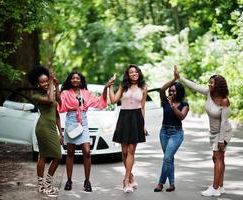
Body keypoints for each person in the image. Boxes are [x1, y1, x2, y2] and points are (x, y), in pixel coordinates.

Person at [175, 66, 233, 197]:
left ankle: (214, 188)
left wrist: (221, 140)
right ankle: (221, 187)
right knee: (218, 158)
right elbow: (194, 86)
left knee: (217, 157)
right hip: (213, 132)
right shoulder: (209, 93)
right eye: (209, 82)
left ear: (218, 85)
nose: (209, 84)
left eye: (211, 83)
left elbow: (224, 122)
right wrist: (180, 78)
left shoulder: (224, 101)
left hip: (223, 132)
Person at [58, 71, 110, 192]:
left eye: (77, 78)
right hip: (71, 121)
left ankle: (87, 181)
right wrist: (56, 87)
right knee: (70, 152)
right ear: (70, 81)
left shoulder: (86, 93)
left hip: (83, 122)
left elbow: (100, 101)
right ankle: (69, 180)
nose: (75, 80)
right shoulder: (65, 93)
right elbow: (59, 104)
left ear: (81, 81)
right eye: (73, 78)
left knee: (87, 151)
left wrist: (106, 88)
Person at [108, 64, 147, 193]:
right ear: (128, 74)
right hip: (124, 118)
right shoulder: (123, 87)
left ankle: (125, 181)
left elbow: (142, 107)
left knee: (131, 151)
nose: (134, 74)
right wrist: (110, 86)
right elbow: (113, 101)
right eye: (131, 72)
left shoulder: (143, 88)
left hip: (136, 119)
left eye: (136, 72)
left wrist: (143, 125)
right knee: (124, 152)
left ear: (139, 73)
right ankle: (131, 176)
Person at [28, 66, 62, 195]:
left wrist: (61, 132)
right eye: (43, 82)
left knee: (57, 156)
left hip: (52, 128)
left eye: (47, 80)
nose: (46, 83)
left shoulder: (51, 91)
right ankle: (42, 185)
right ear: (37, 84)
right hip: (43, 127)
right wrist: (52, 83)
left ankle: (47, 183)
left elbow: (59, 103)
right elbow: (50, 100)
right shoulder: (36, 94)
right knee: (44, 156)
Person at [154, 72, 189, 192]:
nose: (171, 93)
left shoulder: (184, 104)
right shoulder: (164, 101)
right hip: (164, 131)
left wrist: (173, 106)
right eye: (170, 91)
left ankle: (160, 183)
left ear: (179, 92)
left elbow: (181, 117)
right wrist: (174, 79)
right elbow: (162, 89)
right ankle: (172, 184)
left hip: (176, 133)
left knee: (167, 158)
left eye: (173, 91)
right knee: (169, 159)